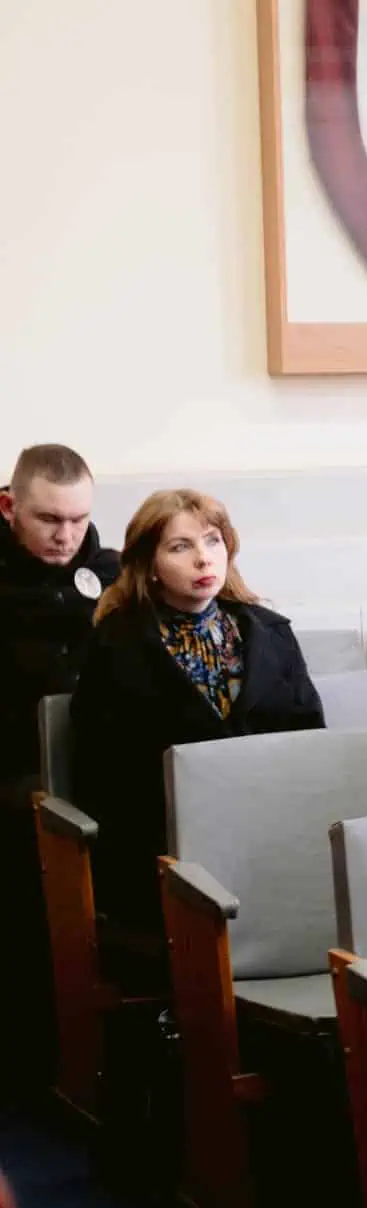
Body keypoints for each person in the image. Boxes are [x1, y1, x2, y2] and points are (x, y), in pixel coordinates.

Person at [71, 491, 324, 932]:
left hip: (271, 831)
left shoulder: (271, 633)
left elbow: (311, 742)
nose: (203, 559)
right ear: (150, 564)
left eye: (212, 541)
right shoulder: (116, 645)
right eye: (180, 546)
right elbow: (102, 774)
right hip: (162, 844)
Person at [0, 444, 119, 1098]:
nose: (66, 536)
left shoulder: (112, 574)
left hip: (97, 776)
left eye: (78, 519)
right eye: (48, 519)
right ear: (8, 506)